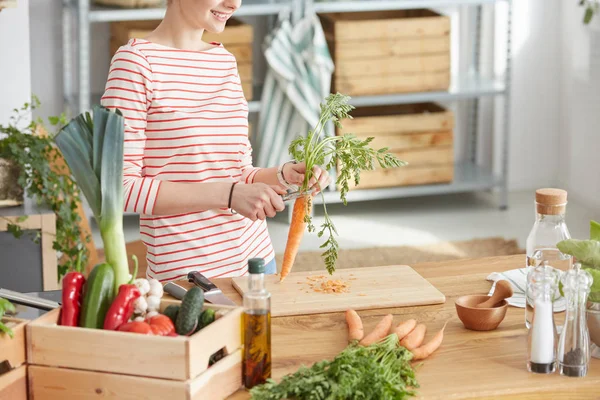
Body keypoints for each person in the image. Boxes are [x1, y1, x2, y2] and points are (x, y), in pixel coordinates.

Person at [100, 0, 330, 282]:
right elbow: (120, 189)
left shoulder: (223, 61)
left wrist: (283, 176)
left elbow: (238, 172)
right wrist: (230, 195)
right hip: (190, 277)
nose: (233, 3)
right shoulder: (135, 64)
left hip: (257, 261)